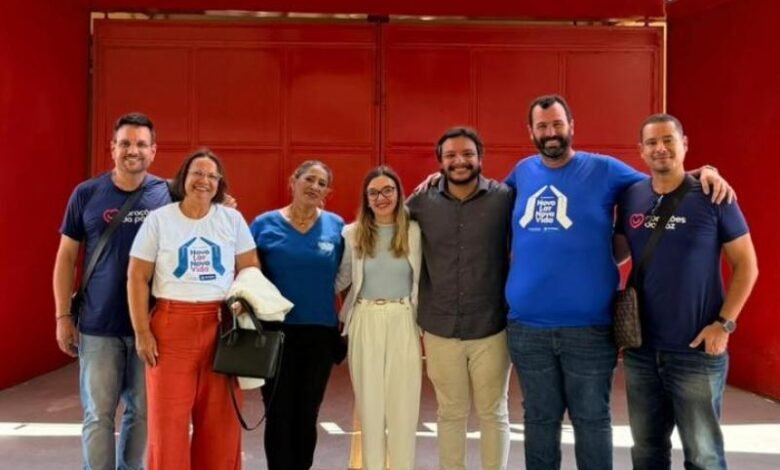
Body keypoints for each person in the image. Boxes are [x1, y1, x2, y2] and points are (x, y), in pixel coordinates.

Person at [504, 95, 733, 470]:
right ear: (530, 131)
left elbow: (662, 181)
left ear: (571, 126)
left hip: (590, 329)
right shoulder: (522, 171)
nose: (551, 132)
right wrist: (439, 179)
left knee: (592, 421)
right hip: (528, 330)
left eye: (557, 124)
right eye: (542, 126)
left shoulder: (605, 169)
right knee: (539, 421)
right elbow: (484, 197)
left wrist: (703, 171)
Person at [614, 114, 758, 470]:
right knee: (646, 451)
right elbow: (616, 253)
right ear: (641, 150)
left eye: (669, 140)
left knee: (704, 456)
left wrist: (724, 324)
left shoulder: (714, 196)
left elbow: (747, 266)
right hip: (642, 350)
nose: (660, 148)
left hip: (696, 350)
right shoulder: (632, 196)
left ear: (685, 144)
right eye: (652, 143)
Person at [127, 149, 259, 470]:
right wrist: (142, 332)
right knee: (167, 424)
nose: (204, 180)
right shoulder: (160, 220)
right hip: (170, 327)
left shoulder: (232, 220)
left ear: (220, 183)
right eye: (197, 173)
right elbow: (137, 276)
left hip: (221, 327)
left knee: (221, 424)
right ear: (183, 178)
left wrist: (242, 297)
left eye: (212, 176)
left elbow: (250, 267)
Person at [53, 112, 171, 470]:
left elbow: (205, 204)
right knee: (98, 414)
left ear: (153, 151)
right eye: (125, 143)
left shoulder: (168, 193)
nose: (132, 150)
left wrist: (224, 204)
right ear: (112, 148)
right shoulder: (87, 193)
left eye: (141, 144)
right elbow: (66, 258)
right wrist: (62, 316)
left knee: (143, 411)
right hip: (97, 325)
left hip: (150, 326)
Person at [407, 127, 514, 470]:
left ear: (480, 158)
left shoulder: (504, 198)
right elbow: (382, 222)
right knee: (450, 412)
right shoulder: (421, 201)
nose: (459, 161)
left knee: (493, 411)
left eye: (467, 154)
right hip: (439, 326)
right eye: (450, 155)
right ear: (440, 161)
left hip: (491, 326)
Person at [250, 160, 345, 470]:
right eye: (309, 179)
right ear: (293, 181)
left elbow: (347, 277)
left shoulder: (336, 227)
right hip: (274, 333)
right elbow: (247, 274)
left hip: (320, 334)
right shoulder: (263, 224)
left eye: (322, 183)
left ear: (328, 192)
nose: (314, 186)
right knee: (278, 412)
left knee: (307, 412)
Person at [336, 166, 423, 470]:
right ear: (366, 198)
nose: (381, 197)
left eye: (388, 190)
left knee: (404, 406)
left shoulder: (414, 232)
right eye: (373, 193)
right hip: (365, 318)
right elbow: (341, 278)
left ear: (399, 194)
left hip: (403, 318)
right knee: (370, 406)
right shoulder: (352, 233)